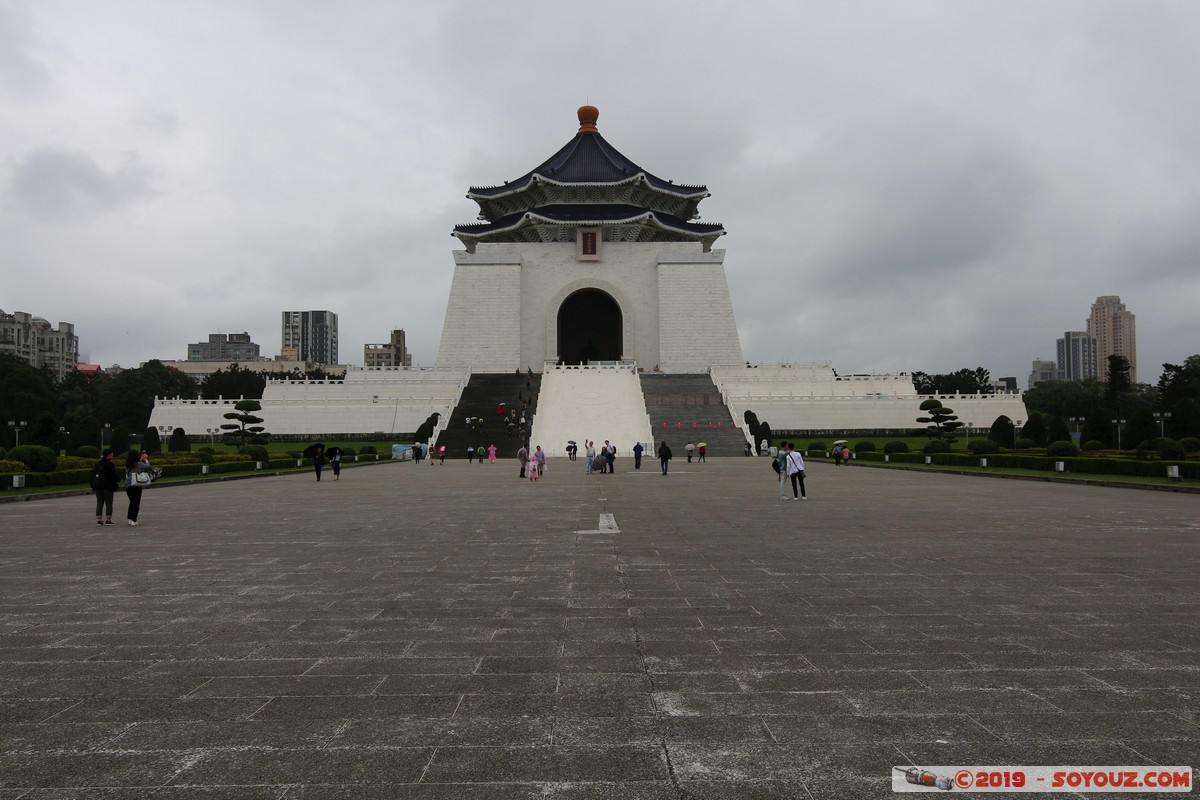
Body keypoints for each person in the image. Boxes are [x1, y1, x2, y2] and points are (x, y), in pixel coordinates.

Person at [124, 449, 153, 526]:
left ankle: (130, 518)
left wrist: (141, 459)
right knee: (136, 503)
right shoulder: (139, 464)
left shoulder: (128, 464)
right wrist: (145, 459)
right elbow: (148, 466)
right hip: (136, 485)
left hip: (128, 485)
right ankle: (134, 519)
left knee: (132, 502)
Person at [92, 448, 119, 526]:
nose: (112, 456)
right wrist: (118, 479)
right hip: (108, 487)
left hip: (98, 486)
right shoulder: (110, 464)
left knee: (99, 503)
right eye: (111, 454)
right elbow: (113, 475)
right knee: (109, 503)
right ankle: (108, 519)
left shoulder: (97, 464)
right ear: (108, 455)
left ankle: (99, 520)